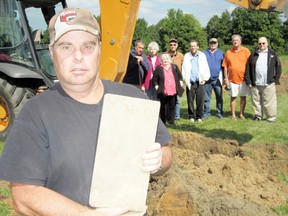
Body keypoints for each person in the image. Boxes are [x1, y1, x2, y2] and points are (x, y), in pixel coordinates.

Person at [0, 8, 173, 216]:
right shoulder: (36, 113)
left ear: (100, 48)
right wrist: (86, 214)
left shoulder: (132, 99)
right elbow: (24, 197)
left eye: (87, 46)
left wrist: (160, 160)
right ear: (52, 51)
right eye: (66, 47)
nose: (78, 56)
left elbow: (166, 153)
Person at [245, 36, 282, 122]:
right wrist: (249, 81)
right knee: (256, 102)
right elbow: (248, 68)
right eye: (260, 43)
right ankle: (258, 116)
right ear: (258, 44)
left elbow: (278, 66)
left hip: (268, 83)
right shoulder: (253, 54)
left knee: (269, 102)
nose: (261, 45)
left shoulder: (272, 54)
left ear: (267, 43)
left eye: (263, 43)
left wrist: (276, 79)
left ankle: (270, 118)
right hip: (255, 83)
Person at [222, 34, 251, 120]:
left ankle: (241, 114)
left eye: (237, 40)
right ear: (232, 42)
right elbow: (225, 66)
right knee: (233, 97)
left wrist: (250, 78)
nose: (235, 41)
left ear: (240, 41)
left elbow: (250, 64)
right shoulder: (228, 52)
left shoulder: (246, 51)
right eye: (234, 40)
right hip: (232, 79)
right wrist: (226, 78)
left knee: (243, 97)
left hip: (243, 79)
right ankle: (233, 115)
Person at [182, 40, 210, 122]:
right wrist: (185, 79)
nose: (193, 47)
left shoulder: (202, 55)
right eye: (191, 46)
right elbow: (184, 69)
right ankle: (191, 115)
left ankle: (199, 116)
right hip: (190, 82)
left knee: (200, 100)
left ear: (198, 47)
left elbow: (206, 67)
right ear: (190, 47)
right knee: (190, 100)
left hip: (200, 81)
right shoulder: (187, 56)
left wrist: (205, 79)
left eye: (194, 46)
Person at [153, 53, 184, 125]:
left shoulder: (174, 67)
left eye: (167, 59)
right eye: (163, 59)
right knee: (163, 107)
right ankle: (163, 121)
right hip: (163, 91)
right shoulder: (158, 68)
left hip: (173, 90)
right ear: (161, 60)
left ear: (169, 60)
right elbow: (154, 80)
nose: (165, 60)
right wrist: (157, 87)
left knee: (172, 106)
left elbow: (180, 76)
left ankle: (172, 120)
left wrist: (181, 84)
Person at [203, 38, 225, 119]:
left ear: (217, 44)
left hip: (217, 79)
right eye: (211, 43)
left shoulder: (221, 53)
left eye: (214, 43)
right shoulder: (204, 53)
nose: (213, 44)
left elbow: (224, 67)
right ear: (209, 44)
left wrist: (225, 78)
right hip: (207, 79)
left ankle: (219, 112)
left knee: (219, 97)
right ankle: (206, 112)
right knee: (206, 98)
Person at [166, 38, 184, 120]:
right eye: (171, 45)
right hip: (167, 80)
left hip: (177, 80)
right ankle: (168, 116)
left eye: (174, 45)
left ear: (177, 46)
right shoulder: (165, 55)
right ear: (169, 45)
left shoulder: (180, 55)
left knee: (177, 100)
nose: (172, 46)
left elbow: (184, 67)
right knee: (168, 99)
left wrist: (182, 80)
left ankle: (177, 116)